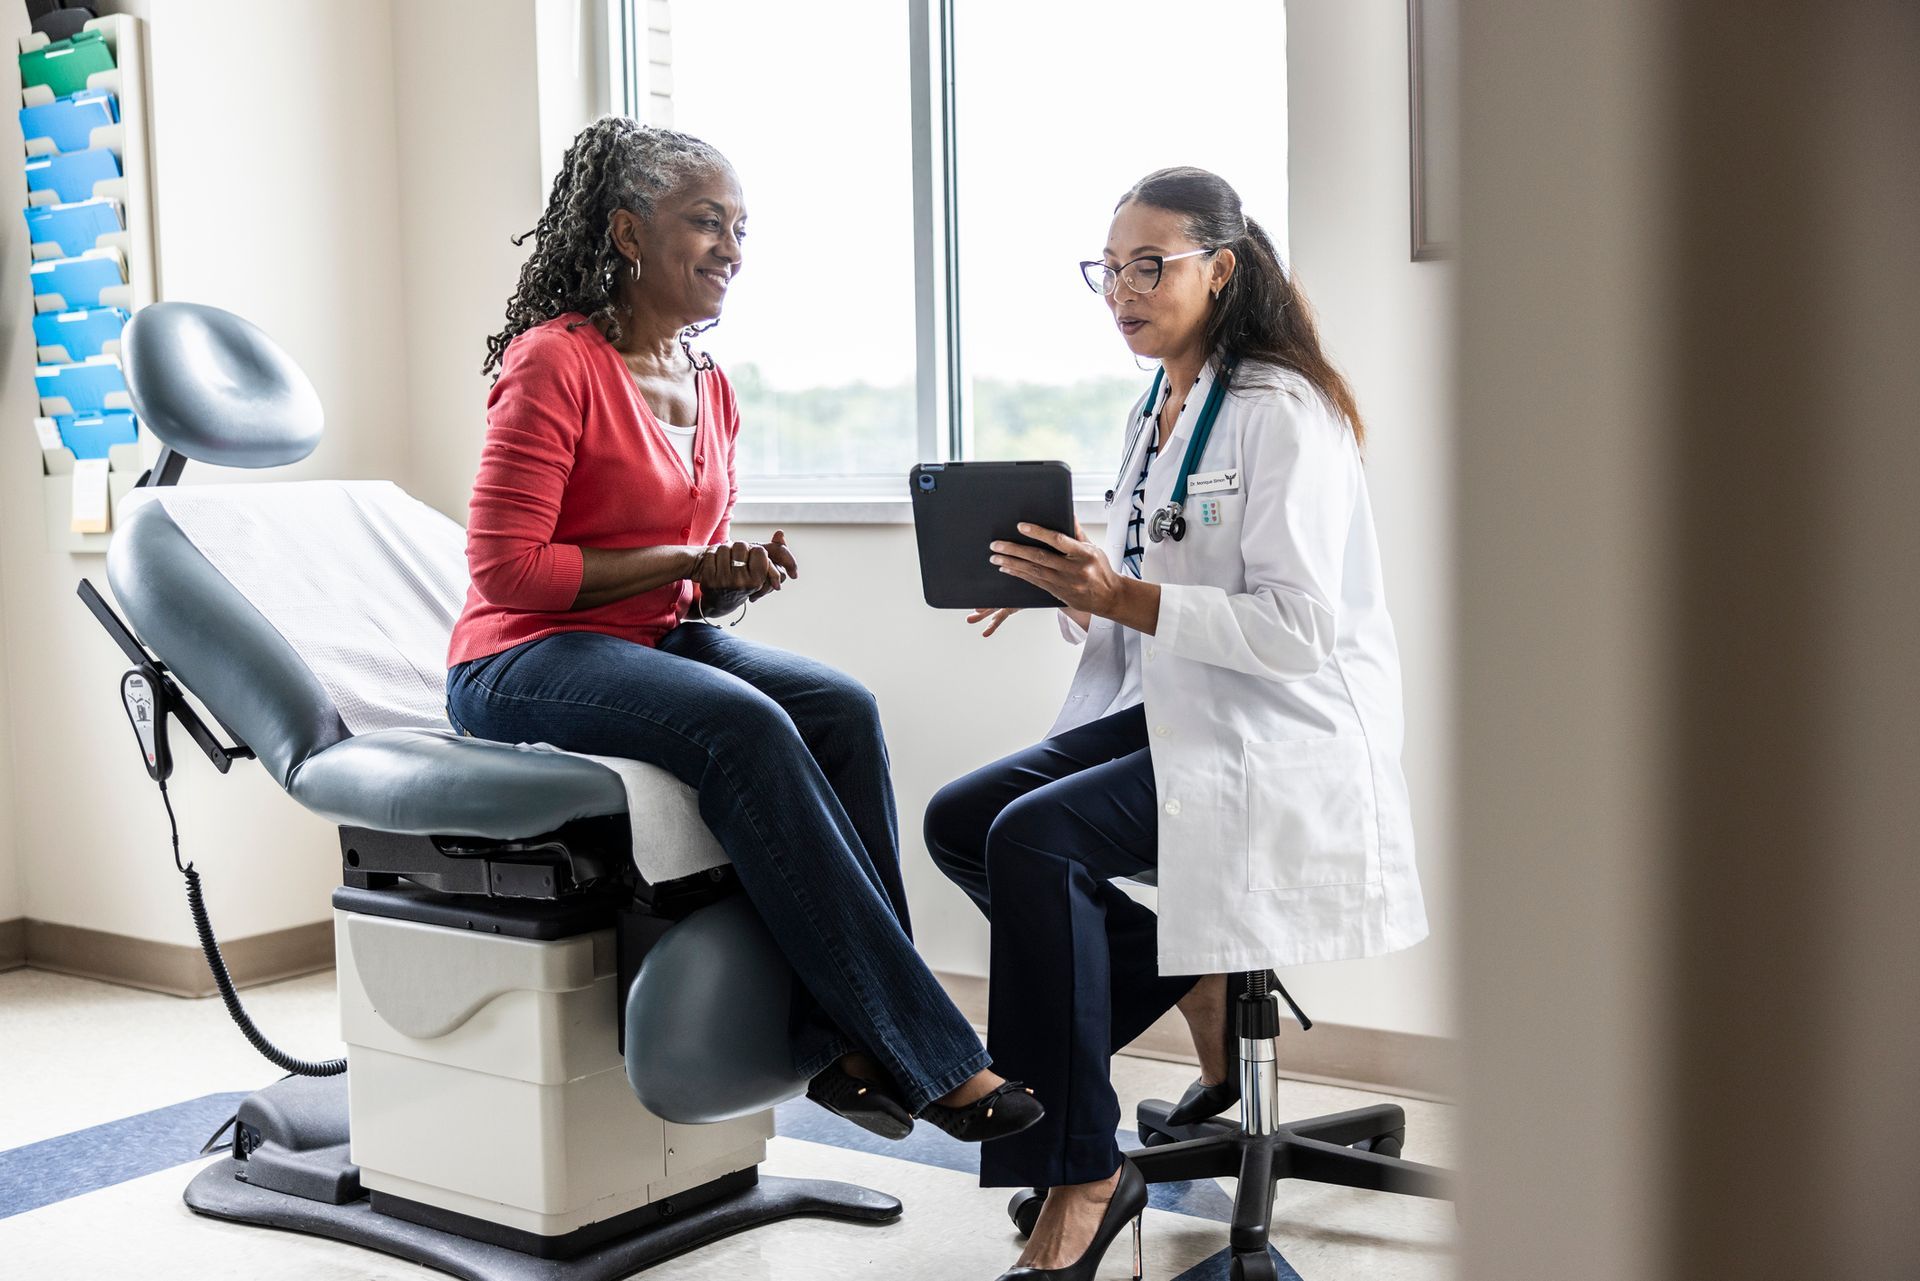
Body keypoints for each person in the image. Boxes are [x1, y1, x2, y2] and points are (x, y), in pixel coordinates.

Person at [445, 116, 1041, 1147]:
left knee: (841, 710)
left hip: (652, 639)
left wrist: (729, 583)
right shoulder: (556, 364)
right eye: (704, 222)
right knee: (743, 727)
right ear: (628, 234)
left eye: (741, 228)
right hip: (519, 656)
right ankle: (931, 1056)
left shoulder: (711, 384)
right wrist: (686, 566)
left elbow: (694, 587)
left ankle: (852, 1046)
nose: (730, 248)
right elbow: (508, 570)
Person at [926, 166, 1429, 1280]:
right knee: (965, 819)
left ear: (1225, 268)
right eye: (1109, 269)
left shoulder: (1280, 413)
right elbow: (1141, 573)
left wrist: (1122, 598)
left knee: (1036, 838)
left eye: (1150, 265)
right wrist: (1066, 589)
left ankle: (1082, 1175)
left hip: (1283, 731)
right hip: (1180, 704)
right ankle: (1184, 973)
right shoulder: (1159, 403)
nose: (1122, 290)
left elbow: (1299, 629)